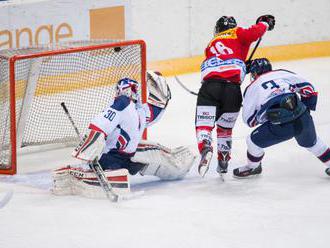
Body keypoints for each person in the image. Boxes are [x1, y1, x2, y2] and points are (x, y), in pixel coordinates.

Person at [52, 71, 196, 197]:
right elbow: (100, 124)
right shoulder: (122, 103)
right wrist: (88, 149)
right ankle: (74, 175)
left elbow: (157, 107)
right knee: (119, 175)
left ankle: (173, 167)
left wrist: (159, 84)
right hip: (108, 158)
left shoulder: (139, 111)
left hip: (127, 158)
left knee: (154, 150)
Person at [196, 15, 275, 177]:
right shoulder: (237, 33)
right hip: (232, 90)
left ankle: (205, 147)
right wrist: (264, 23)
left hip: (210, 87)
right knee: (225, 129)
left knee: (204, 123)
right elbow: (254, 33)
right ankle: (223, 159)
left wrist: (241, 63)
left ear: (218, 29)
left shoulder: (210, 45)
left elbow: (224, 59)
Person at [233, 58, 330, 178]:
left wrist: (266, 115)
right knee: (313, 144)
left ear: (253, 74)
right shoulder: (281, 73)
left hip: (281, 125)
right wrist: (306, 110)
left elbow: (249, 121)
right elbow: (310, 90)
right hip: (302, 115)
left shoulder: (252, 88)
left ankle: (253, 167)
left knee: (252, 141)